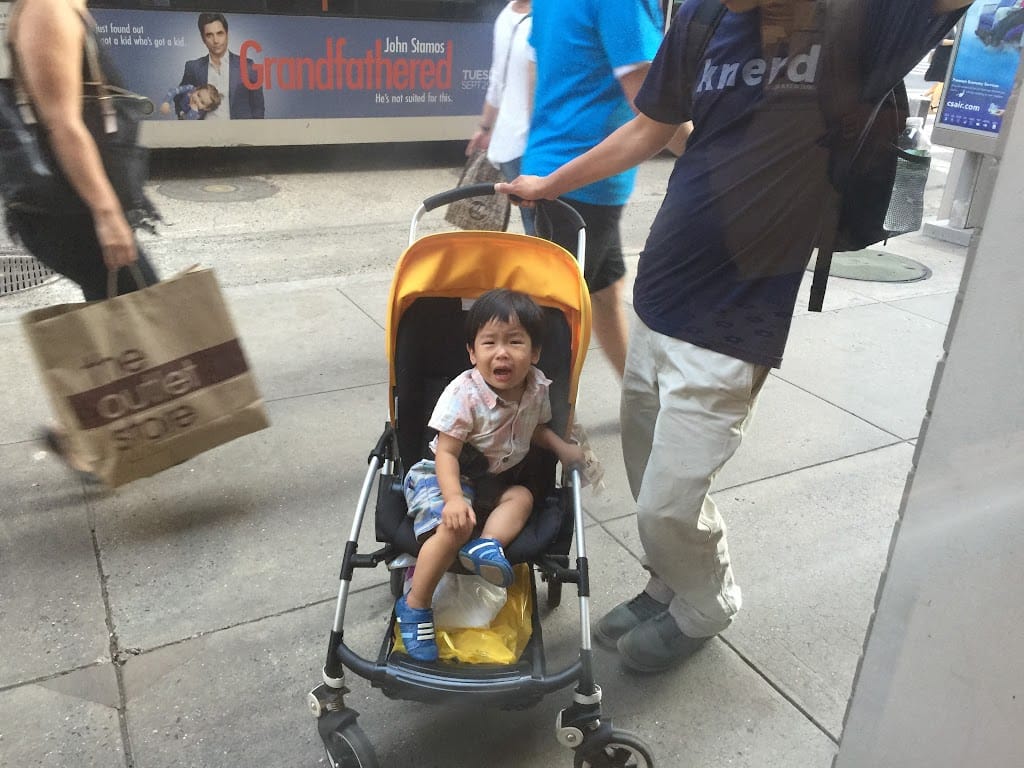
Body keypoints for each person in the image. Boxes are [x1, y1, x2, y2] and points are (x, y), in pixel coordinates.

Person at [498, 0, 971, 674]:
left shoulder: (858, 17)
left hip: (736, 317)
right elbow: (650, 127)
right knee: (647, 472)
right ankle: (669, 582)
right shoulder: (703, 17)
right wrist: (550, 184)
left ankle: (707, 604)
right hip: (660, 293)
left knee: (669, 502)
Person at [4, 0, 160, 475]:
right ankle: (75, 432)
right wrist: (108, 214)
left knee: (116, 307)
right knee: (137, 302)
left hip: (75, 205)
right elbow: (62, 123)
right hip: (68, 210)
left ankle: (80, 432)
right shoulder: (47, 9)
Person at [395, 288, 584, 661]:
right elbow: (446, 452)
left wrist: (561, 447)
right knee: (455, 527)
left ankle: (487, 545)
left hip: (495, 482)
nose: (502, 352)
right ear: (472, 352)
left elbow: (533, 429)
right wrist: (453, 499)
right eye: (489, 342)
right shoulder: (464, 394)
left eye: (515, 342)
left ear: (534, 352)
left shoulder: (537, 389)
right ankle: (415, 604)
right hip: (442, 475)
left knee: (522, 497)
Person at [522, 0, 665, 378]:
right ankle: (542, 414)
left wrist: (541, 149)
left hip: (553, 170)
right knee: (554, 324)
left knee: (603, 294)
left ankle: (638, 396)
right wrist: (711, 155)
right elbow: (655, 110)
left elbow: (533, 73)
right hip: (585, 181)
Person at [466, 0, 537, 236]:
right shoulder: (544, 17)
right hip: (531, 141)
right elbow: (532, 83)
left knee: (534, 222)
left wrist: (485, 127)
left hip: (510, 143)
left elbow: (497, 80)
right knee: (543, 226)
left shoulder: (506, 15)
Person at [179, 12, 264, 120]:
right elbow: (179, 97)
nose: (216, 40)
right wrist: (184, 117)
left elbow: (258, 107)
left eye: (220, 33)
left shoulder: (248, 66)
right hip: (203, 130)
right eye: (209, 35)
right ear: (203, 39)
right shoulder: (193, 67)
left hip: (240, 130)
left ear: (227, 35)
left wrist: (255, 129)